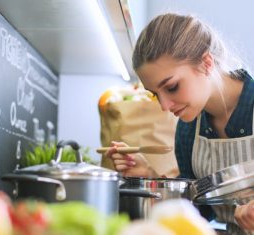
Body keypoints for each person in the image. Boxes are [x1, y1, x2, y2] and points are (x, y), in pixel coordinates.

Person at [105, 13, 254, 235]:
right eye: (155, 94)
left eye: (172, 87)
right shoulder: (188, 128)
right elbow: (198, 212)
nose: (165, 106)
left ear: (206, 63)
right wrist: (149, 176)